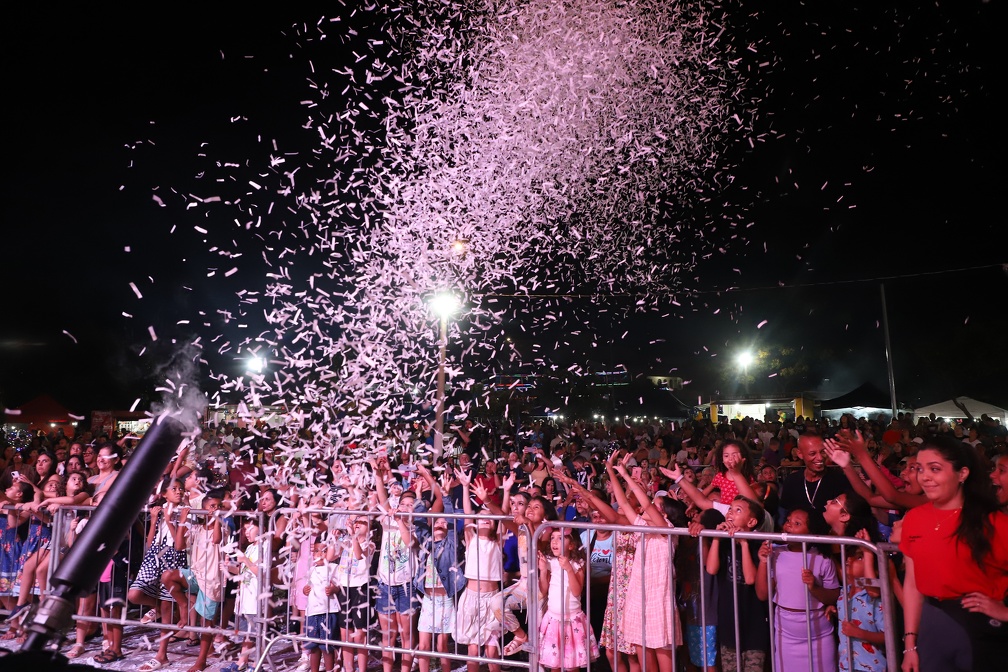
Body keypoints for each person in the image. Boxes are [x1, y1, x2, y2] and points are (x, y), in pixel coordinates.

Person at [897, 436, 1008, 672]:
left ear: (962, 474)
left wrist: (1005, 612)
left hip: (980, 633)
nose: (924, 477)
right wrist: (910, 644)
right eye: (920, 469)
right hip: (932, 627)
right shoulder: (914, 519)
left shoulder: (993, 522)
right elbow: (913, 584)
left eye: (935, 469)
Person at [614, 461, 684, 672]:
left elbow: (645, 505)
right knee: (646, 663)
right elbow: (623, 504)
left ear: (665, 514)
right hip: (637, 599)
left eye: (657, 504)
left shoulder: (668, 531)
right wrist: (613, 473)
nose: (650, 505)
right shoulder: (644, 527)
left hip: (658, 602)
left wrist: (627, 476)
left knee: (665, 663)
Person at [755, 507, 840, 672]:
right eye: (788, 521)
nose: (789, 525)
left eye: (797, 523)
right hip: (785, 634)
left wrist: (814, 587)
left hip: (819, 635)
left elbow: (833, 596)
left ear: (811, 531)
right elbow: (762, 594)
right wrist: (763, 562)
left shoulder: (822, 558)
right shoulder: (776, 553)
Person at [705, 496, 769, 672]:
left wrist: (744, 544)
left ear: (752, 521)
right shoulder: (724, 541)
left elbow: (750, 579)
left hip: (753, 624)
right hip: (728, 623)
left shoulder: (757, 544)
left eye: (738, 510)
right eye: (730, 509)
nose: (731, 512)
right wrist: (717, 538)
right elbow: (711, 569)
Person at [453, 469, 503, 672]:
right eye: (481, 515)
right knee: (472, 649)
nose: (485, 518)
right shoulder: (471, 538)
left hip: (492, 598)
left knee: (492, 650)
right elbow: (467, 515)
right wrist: (465, 487)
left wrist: (503, 493)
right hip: (471, 596)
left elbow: (504, 515)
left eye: (489, 517)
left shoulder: (498, 540)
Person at [537, 527, 599, 672]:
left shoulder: (578, 564)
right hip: (554, 621)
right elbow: (543, 590)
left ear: (571, 545)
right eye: (552, 537)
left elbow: (577, 591)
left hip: (572, 622)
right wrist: (543, 570)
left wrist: (569, 568)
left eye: (560, 538)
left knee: (572, 665)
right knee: (555, 665)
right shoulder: (550, 562)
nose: (555, 541)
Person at [778, 435, 849, 522]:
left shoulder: (839, 480)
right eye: (812, 453)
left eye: (823, 452)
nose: (820, 458)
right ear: (800, 454)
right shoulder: (791, 481)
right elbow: (784, 513)